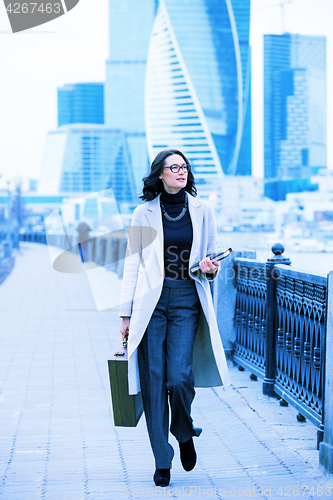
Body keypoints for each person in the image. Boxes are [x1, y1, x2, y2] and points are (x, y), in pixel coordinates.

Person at [119, 149, 230, 487]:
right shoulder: (144, 212)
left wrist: (211, 268)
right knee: (153, 382)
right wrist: (125, 314)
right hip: (150, 305)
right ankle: (161, 459)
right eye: (174, 167)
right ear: (160, 174)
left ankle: (183, 431)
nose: (181, 172)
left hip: (186, 299)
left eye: (184, 167)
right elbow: (131, 263)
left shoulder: (202, 210)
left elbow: (211, 256)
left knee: (179, 377)